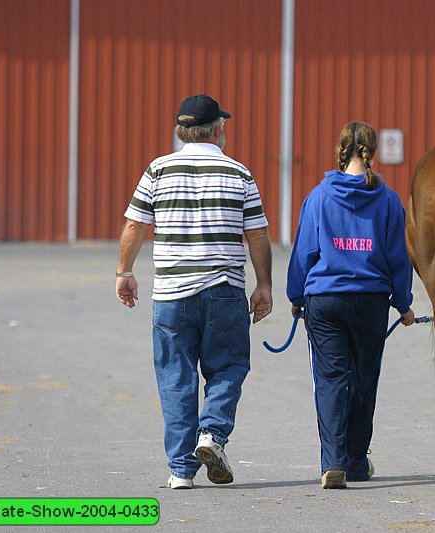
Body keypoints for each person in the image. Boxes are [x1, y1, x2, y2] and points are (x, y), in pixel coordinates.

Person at [115, 94, 273, 490]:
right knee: (229, 366)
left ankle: (181, 471)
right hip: (223, 290)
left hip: (171, 293)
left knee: (175, 376)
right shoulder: (239, 172)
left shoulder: (157, 170)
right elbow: (256, 234)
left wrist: (124, 272)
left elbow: (135, 226)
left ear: (181, 130)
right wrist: (264, 285)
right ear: (218, 128)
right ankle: (212, 435)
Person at [287, 121, 415, 489]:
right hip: (371, 302)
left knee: (331, 379)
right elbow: (397, 258)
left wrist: (297, 297)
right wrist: (404, 304)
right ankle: (357, 461)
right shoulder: (388, 200)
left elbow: (305, 252)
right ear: (372, 152)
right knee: (364, 379)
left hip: (325, 299)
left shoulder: (319, 197)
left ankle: (334, 462)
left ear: (340, 151)